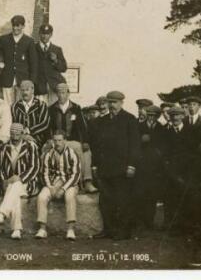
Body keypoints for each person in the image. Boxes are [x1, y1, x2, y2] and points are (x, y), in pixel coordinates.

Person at [89, 91, 140, 240]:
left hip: (122, 168)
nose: (112, 105)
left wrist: (132, 166)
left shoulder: (129, 120)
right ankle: (108, 230)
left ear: (121, 103)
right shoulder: (102, 121)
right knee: (106, 201)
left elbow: (135, 146)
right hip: (105, 168)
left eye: (115, 102)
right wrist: (94, 166)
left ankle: (123, 231)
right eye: (110, 102)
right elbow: (97, 146)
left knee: (123, 201)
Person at [0, 123, 41, 240]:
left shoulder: (30, 146)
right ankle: (16, 230)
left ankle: (2, 213)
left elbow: (35, 167)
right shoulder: (4, 148)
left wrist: (21, 178)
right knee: (15, 195)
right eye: (12, 133)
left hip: (28, 182)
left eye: (17, 134)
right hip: (9, 184)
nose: (14, 136)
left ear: (23, 134)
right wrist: (5, 180)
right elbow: (1, 168)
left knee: (16, 185)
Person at [47, 83, 97, 193]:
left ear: (68, 94)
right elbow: (48, 127)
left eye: (63, 92)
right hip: (58, 141)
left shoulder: (76, 108)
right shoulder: (51, 109)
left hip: (71, 140)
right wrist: (50, 139)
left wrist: (85, 141)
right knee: (76, 147)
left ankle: (87, 181)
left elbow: (83, 127)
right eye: (59, 93)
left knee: (86, 151)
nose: (61, 95)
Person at [0, 15, 38, 104]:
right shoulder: (4, 39)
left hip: (23, 81)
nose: (15, 28)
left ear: (23, 26)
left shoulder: (29, 41)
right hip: (7, 79)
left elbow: (34, 64)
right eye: (14, 25)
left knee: (22, 106)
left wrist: (31, 82)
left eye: (18, 26)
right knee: (7, 106)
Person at [35, 130, 80, 240]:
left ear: (65, 140)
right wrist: (50, 187)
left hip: (69, 183)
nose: (57, 143)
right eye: (55, 140)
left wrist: (63, 189)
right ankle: (42, 229)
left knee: (70, 196)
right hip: (53, 182)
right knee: (42, 197)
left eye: (60, 140)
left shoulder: (72, 153)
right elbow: (44, 173)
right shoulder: (48, 154)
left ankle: (70, 229)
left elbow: (76, 174)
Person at [163, 106, 199, 236]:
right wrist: (171, 172)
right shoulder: (166, 133)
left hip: (186, 173)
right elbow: (164, 154)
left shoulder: (191, 132)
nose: (175, 118)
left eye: (178, 116)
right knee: (171, 200)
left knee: (186, 200)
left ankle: (186, 227)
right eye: (173, 116)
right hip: (171, 174)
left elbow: (194, 153)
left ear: (182, 116)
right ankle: (172, 228)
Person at [134, 105, 167, 230]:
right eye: (150, 115)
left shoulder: (161, 128)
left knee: (152, 195)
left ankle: (149, 221)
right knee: (139, 193)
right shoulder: (139, 127)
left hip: (155, 167)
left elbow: (164, 146)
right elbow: (134, 143)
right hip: (141, 165)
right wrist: (141, 140)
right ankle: (139, 221)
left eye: (154, 115)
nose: (152, 117)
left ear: (158, 116)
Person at [34, 24, 67, 104]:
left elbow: (63, 68)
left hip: (54, 86)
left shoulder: (57, 49)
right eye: (43, 33)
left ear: (51, 34)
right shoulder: (33, 48)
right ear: (39, 34)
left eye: (47, 34)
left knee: (54, 111)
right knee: (41, 110)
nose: (45, 36)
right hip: (39, 86)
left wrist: (56, 60)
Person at [11, 80, 50, 149]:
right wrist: (22, 135)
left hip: (37, 139)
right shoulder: (15, 106)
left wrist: (29, 131)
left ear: (32, 90)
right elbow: (12, 123)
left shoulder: (41, 105)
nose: (25, 92)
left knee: (31, 147)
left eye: (27, 90)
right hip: (18, 138)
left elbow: (44, 123)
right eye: (22, 90)